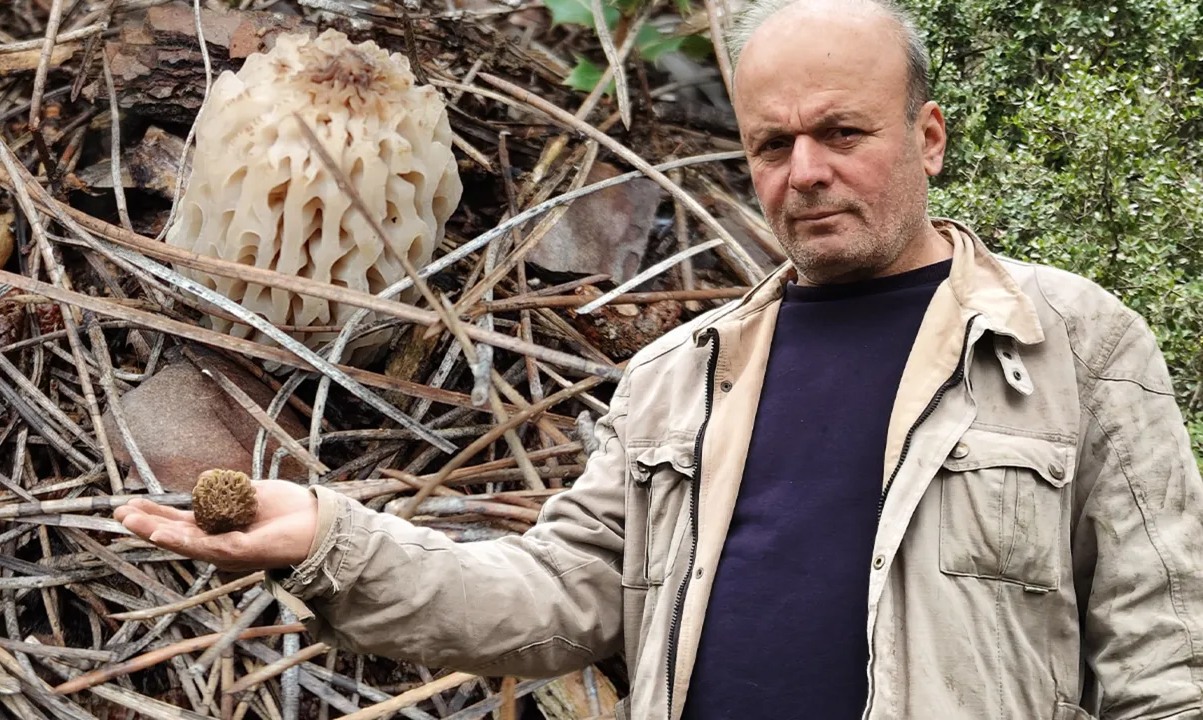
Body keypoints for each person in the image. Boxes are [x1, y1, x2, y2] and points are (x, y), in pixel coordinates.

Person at [116, 0, 1203, 717]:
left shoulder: (1073, 342)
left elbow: (1163, 658)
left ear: (926, 138)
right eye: (772, 144)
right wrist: (333, 540)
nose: (805, 171)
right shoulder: (681, 375)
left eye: (842, 132)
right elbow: (556, 596)